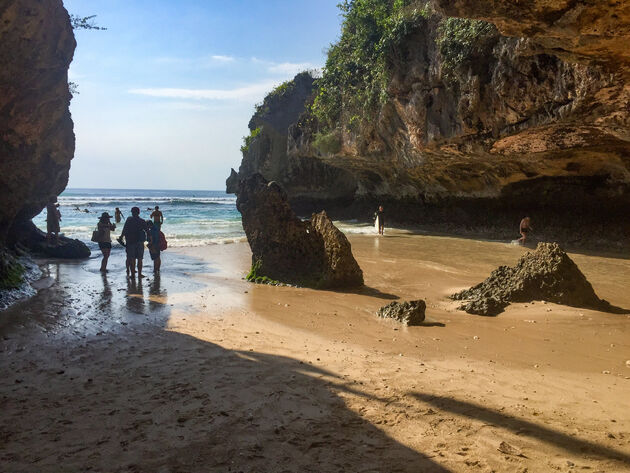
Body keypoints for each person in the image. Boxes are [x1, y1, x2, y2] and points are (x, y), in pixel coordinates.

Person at [121, 207, 148, 278]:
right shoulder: (142, 221)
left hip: (130, 241)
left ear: (132, 212)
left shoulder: (129, 220)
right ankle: (139, 274)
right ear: (139, 212)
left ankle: (132, 274)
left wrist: (121, 237)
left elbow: (125, 229)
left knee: (132, 258)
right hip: (140, 242)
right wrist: (150, 240)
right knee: (140, 259)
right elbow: (147, 231)